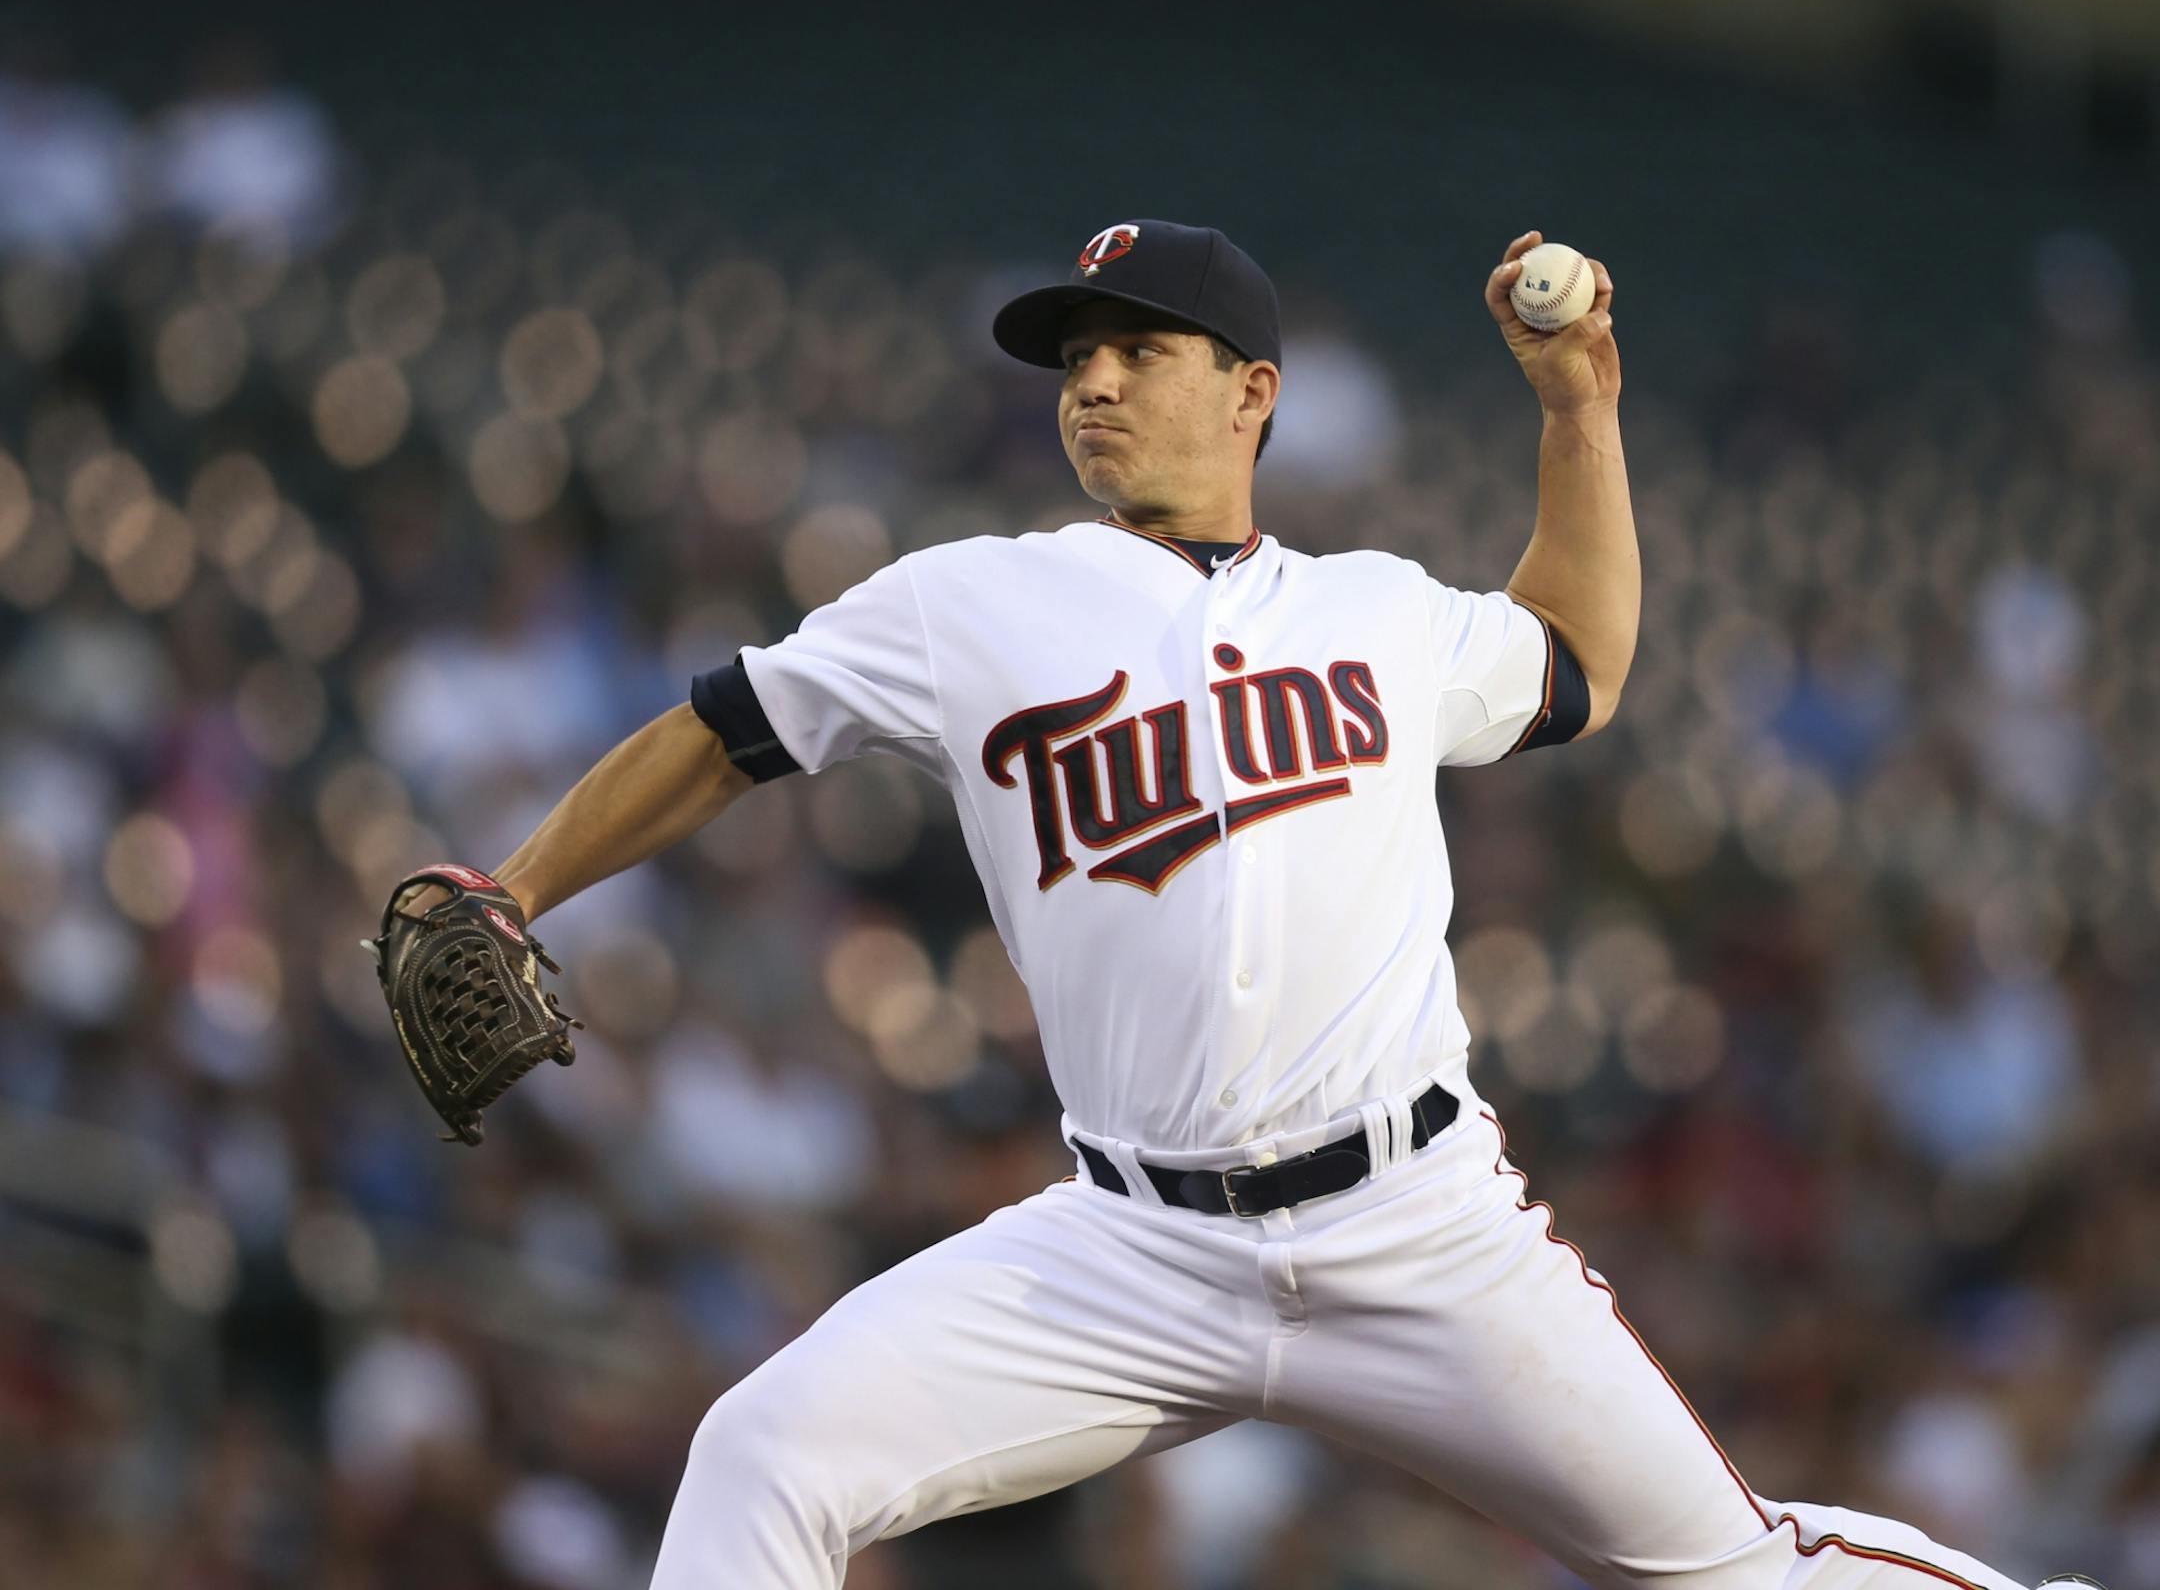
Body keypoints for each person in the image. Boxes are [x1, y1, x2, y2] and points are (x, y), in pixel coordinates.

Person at [417, 220, 2090, 1590]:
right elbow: (725, 733)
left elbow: (1577, 659)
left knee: (1730, 1573)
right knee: (763, 1460)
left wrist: (1580, 415)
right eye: (1077, 357)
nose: (1095, 384)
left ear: (1254, 394)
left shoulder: (1376, 613)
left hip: (1415, 1218)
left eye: (1140, 349)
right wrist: (517, 885)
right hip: (1125, 1247)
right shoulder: (971, 601)